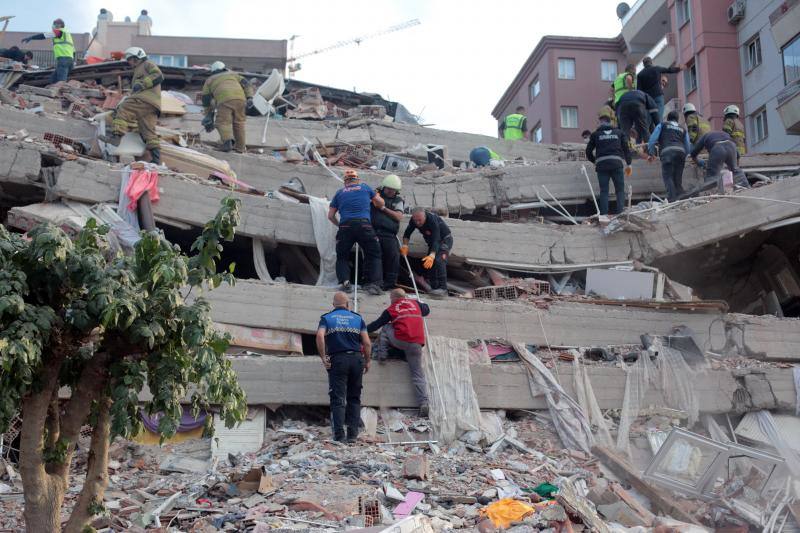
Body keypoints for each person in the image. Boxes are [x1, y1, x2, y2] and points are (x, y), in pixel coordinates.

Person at [316, 292, 371, 443]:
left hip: (338, 360)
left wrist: (323, 357)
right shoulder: (358, 318)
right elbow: (366, 342)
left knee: (338, 398)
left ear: (333, 305)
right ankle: (352, 436)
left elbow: (320, 336)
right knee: (354, 398)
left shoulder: (326, 318)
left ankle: (340, 437)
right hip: (356, 360)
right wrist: (367, 360)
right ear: (348, 305)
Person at [367, 288, 431, 416]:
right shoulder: (416, 304)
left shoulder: (392, 309)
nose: (390, 302)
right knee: (417, 374)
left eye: (391, 299)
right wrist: (420, 303)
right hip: (417, 344)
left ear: (394, 298)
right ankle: (424, 403)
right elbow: (427, 310)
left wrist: (362, 330)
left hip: (401, 341)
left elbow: (376, 324)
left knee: (386, 327)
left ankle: (382, 355)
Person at [102, 47, 163, 165]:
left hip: (145, 100)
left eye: (130, 59)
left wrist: (142, 84)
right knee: (148, 131)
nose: (129, 62)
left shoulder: (147, 64)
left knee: (124, 109)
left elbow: (158, 75)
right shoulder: (139, 69)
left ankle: (116, 137)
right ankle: (156, 161)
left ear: (137, 58)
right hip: (152, 105)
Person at [328, 169, 385, 295]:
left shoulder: (339, 193)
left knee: (342, 256)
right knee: (374, 254)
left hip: (345, 227)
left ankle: (345, 283)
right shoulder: (365, 188)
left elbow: (330, 215)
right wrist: (374, 199)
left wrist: (340, 225)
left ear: (345, 182)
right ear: (357, 180)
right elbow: (381, 203)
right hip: (364, 225)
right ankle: (374, 285)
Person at [586, 109, 632, 215]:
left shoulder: (595, 134)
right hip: (616, 164)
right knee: (620, 190)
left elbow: (588, 152)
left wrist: (595, 161)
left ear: (601, 122)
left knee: (604, 191)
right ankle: (621, 213)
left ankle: (604, 215)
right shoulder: (619, 133)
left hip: (602, 166)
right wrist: (629, 163)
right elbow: (626, 149)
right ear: (610, 121)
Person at [201, 61, 254, 153]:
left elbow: (206, 100)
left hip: (224, 100)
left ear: (213, 71)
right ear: (224, 68)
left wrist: (208, 115)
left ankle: (227, 144)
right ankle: (240, 147)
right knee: (239, 123)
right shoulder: (234, 74)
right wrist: (249, 97)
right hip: (241, 100)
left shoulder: (209, 80)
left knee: (222, 122)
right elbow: (247, 84)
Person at [401, 208, 452, 298]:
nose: (417, 223)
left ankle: (443, 289)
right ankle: (434, 288)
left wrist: (432, 255)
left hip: (444, 240)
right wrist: (405, 246)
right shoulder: (414, 220)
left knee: (439, 260)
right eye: (415, 220)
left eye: (420, 220)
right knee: (429, 264)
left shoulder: (432, 219)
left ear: (424, 216)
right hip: (432, 242)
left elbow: (437, 239)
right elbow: (407, 234)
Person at [647, 111, 691, 202]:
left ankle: (672, 199)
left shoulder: (662, 125)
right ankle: (681, 199)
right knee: (678, 179)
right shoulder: (683, 128)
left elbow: (652, 140)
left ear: (668, 118)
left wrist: (651, 153)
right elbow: (687, 146)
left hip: (667, 152)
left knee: (668, 176)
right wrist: (685, 156)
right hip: (680, 153)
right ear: (677, 119)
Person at [371, 175, 405, 290]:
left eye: (393, 190)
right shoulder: (376, 195)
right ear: (383, 187)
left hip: (389, 234)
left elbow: (398, 216)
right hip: (374, 232)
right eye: (388, 189)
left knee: (393, 256)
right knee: (374, 257)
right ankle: (375, 282)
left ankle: (390, 284)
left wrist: (383, 208)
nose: (390, 191)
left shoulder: (398, 201)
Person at [21, 18, 74, 83]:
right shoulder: (67, 34)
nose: (53, 26)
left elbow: (44, 35)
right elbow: (73, 50)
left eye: (55, 24)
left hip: (63, 58)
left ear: (60, 25)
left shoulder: (59, 31)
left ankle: (61, 91)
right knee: (53, 79)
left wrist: (31, 37)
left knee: (61, 81)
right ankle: (51, 89)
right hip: (69, 59)